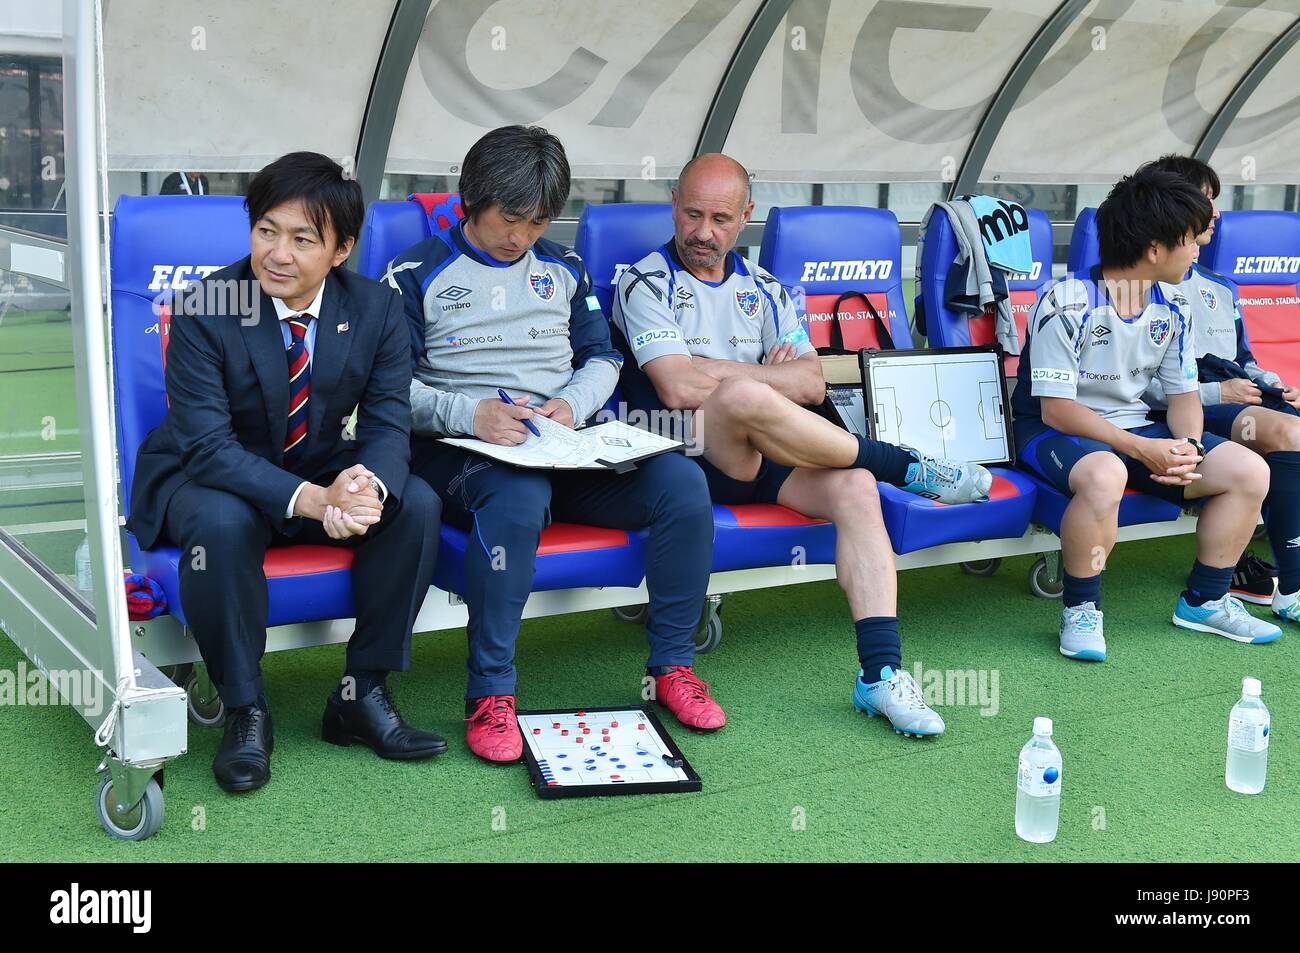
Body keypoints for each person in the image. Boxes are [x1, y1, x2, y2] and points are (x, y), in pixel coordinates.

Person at [612, 153, 994, 738]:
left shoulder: (765, 288)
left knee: (856, 488)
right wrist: (754, 375)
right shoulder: (644, 280)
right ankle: (903, 463)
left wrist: (723, 370)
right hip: (682, 454)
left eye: (720, 218)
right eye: (691, 215)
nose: (703, 233)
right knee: (740, 397)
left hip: (766, 451)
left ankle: (881, 673)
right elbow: (676, 384)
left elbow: (812, 382)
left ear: (747, 216)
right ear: (674, 205)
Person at [386, 126, 721, 764]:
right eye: (510, 219)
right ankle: (491, 694)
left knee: (681, 483)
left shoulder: (565, 268)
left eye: (538, 222)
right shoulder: (414, 273)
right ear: (470, 200)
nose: (522, 237)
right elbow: (387, 389)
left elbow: (602, 358)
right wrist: (471, 413)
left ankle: (673, 667)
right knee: (516, 495)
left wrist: (571, 405)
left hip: (558, 439)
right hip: (462, 449)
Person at [129, 152, 447, 793]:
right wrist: (312, 499)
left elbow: (387, 425)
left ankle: (362, 693)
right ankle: (246, 710)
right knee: (221, 522)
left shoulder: (377, 309)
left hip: (312, 460)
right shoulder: (205, 307)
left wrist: (363, 489)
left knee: (414, 502)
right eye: (266, 230)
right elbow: (208, 447)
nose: (277, 253)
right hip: (206, 470)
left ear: (341, 249)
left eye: (303, 239)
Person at [1012, 166, 1282, 661]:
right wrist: (1142, 448)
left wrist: (1189, 448)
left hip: (1138, 431)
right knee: (1105, 474)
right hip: (1054, 432)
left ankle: (1205, 600)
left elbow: (1182, 398)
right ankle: (1082, 609)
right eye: (1190, 241)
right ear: (1155, 249)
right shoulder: (1068, 300)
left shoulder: (1172, 310)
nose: (1199, 250)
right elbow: (1056, 410)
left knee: (1248, 469)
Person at [1144, 154, 1300, 620]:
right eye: (1203, 202)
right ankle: (1291, 587)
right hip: (1182, 410)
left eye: (1215, 201)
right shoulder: (1142, 288)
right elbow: (1137, 384)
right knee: (1287, 434)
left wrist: (1274, 385)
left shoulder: (1222, 287)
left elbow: (1244, 361)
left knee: (1289, 421)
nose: (1214, 214)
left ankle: (1268, 573)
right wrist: (1220, 394)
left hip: (1236, 402)